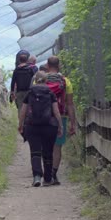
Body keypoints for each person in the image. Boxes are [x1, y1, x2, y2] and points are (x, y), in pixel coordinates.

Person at [18, 71, 63, 187]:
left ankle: (37, 177)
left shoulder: (30, 93)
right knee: (48, 152)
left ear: (35, 80)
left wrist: (21, 124)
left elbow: (23, 110)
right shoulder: (50, 93)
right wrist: (60, 125)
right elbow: (56, 111)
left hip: (32, 126)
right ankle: (48, 179)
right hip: (49, 126)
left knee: (35, 152)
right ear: (46, 80)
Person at [46, 56, 77, 185]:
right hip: (60, 118)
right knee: (57, 147)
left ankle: (46, 174)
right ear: (59, 66)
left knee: (45, 146)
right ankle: (54, 174)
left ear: (47, 66)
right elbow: (70, 104)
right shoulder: (66, 82)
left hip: (42, 118)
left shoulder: (40, 80)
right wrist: (72, 123)